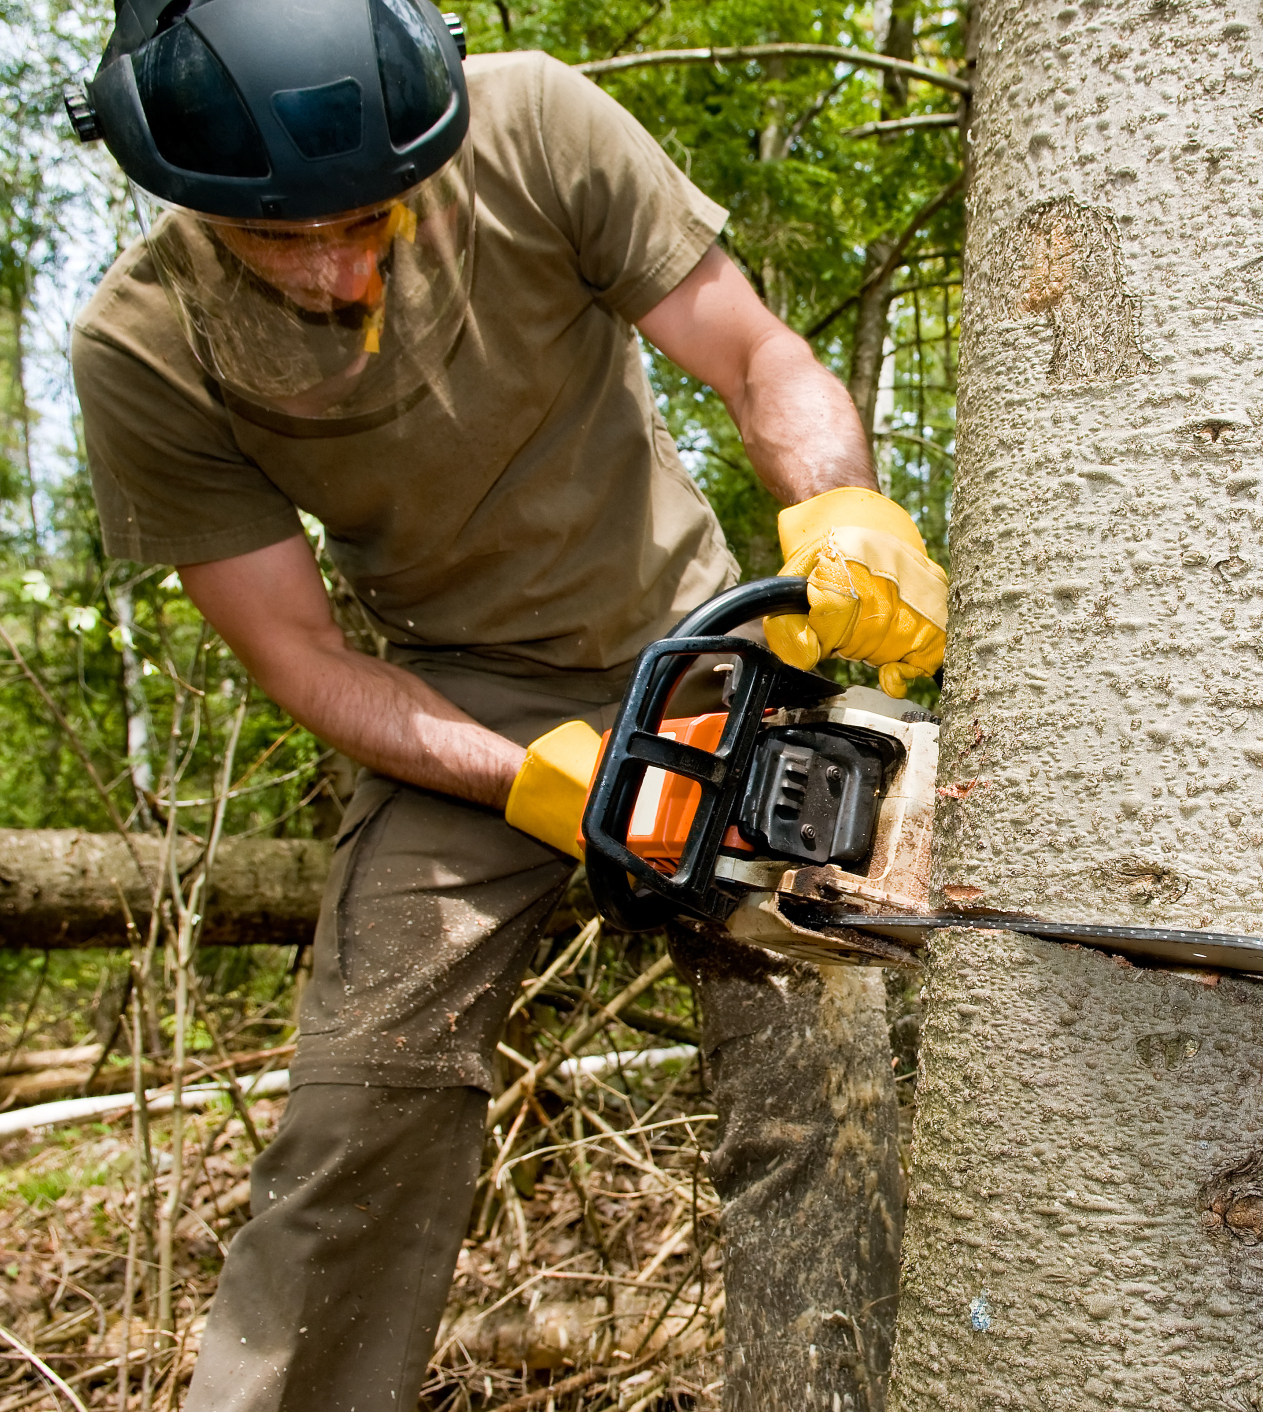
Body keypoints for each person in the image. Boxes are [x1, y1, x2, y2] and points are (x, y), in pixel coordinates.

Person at [64, 1, 946, 1408]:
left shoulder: (533, 124)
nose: (335, 266)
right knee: (366, 1093)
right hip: (447, 701)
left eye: (365, 216)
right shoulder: (145, 347)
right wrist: (524, 776)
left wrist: (840, 506)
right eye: (279, 238)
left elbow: (754, 356)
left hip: (698, 647)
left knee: (815, 1071)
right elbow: (299, 659)